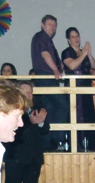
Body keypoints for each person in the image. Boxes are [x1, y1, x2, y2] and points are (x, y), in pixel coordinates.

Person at [2, 81, 49, 183]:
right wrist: (31, 121)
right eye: (26, 92)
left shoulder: (37, 108)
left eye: (30, 92)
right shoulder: (11, 109)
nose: (29, 95)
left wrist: (41, 122)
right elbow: (14, 129)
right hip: (15, 156)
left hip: (33, 156)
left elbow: (45, 130)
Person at [31, 14, 68, 148]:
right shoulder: (42, 37)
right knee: (63, 105)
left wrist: (60, 66)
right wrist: (56, 70)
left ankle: (47, 143)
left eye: (54, 25)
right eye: (50, 24)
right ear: (42, 25)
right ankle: (58, 139)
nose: (53, 27)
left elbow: (50, 57)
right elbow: (45, 54)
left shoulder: (45, 39)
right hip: (46, 78)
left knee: (49, 109)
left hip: (46, 78)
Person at [61, 26, 95, 146]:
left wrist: (89, 54)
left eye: (77, 36)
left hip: (86, 87)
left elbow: (94, 66)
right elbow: (72, 65)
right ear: (68, 40)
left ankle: (89, 144)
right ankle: (77, 145)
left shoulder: (83, 52)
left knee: (88, 115)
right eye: (73, 37)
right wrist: (84, 54)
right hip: (74, 89)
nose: (76, 39)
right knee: (76, 116)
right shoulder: (66, 52)